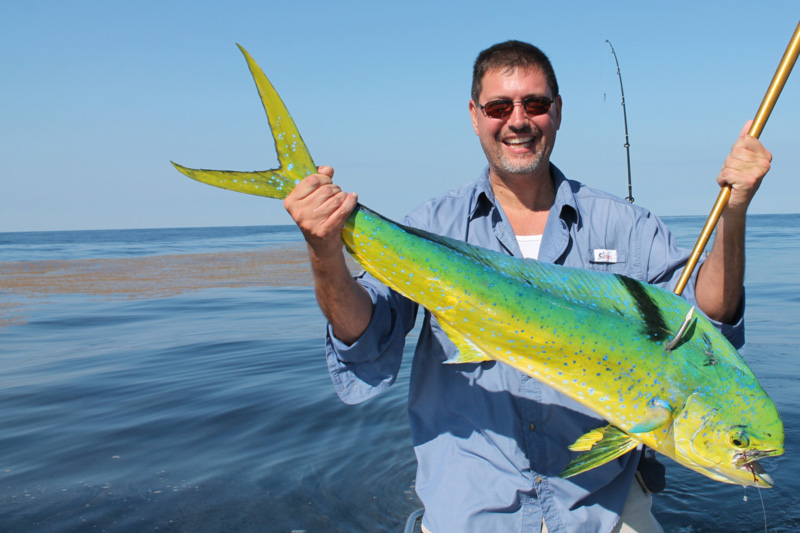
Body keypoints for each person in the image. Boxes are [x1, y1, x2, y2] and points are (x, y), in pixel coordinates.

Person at [283, 41, 771, 532]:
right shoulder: (432, 224)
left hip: (602, 511)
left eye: (534, 104)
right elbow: (366, 337)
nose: (517, 120)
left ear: (556, 111)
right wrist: (323, 250)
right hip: (470, 512)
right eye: (499, 107)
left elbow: (706, 328)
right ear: (475, 116)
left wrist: (734, 212)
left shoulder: (627, 227)